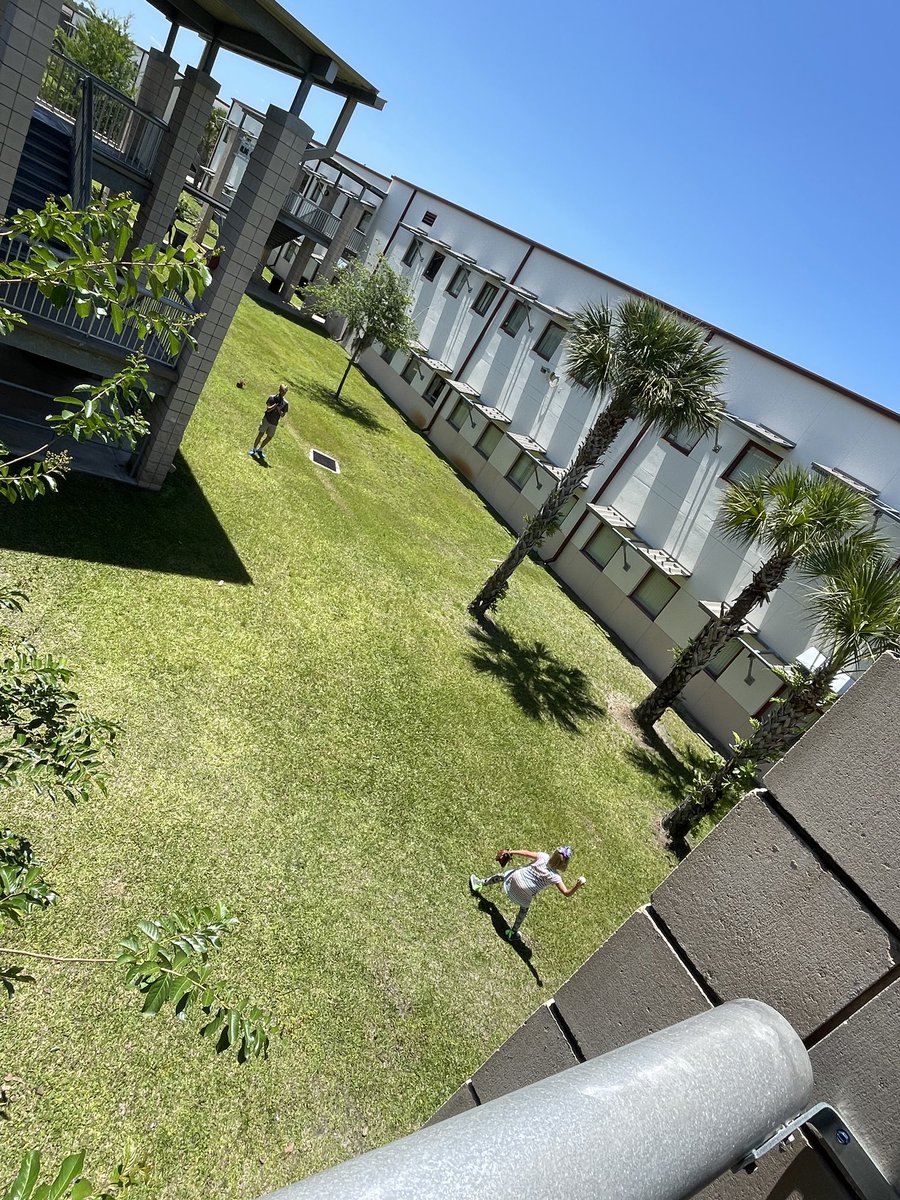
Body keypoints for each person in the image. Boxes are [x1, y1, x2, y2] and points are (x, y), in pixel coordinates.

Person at [469, 846, 586, 940]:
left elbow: (525, 852)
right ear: (564, 864)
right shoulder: (556, 877)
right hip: (524, 895)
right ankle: (512, 933)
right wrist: (577, 886)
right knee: (524, 910)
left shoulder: (543, 857)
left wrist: (511, 852)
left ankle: (479, 884)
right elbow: (566, 893)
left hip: (513, 881)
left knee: (503, 876)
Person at [250, 384, 289, 461]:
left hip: (274, 423)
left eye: (284, 391)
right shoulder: (272, 397)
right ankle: (254, 449)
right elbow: (268, 409)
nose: (282, 392)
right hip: (267, 419)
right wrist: (275, 405)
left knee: (269, 437)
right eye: (281, 390)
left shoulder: (285, 403)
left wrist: (278, 409)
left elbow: (282, 415)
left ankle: (260, 449)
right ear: (279, 390)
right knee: (261, 434)